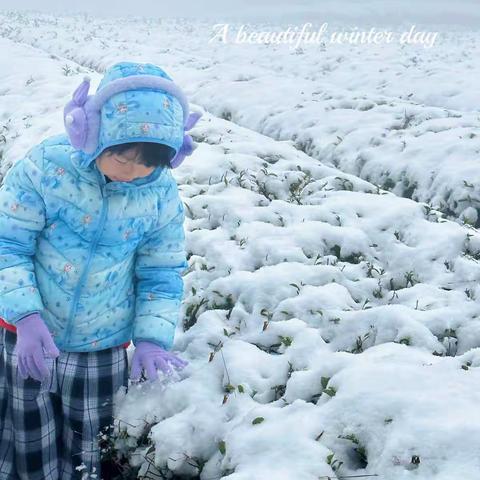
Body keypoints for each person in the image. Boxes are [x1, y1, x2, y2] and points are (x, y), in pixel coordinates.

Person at [0, 61, 202, 479]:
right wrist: (24, 315)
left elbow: (161, 272)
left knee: (91, 442)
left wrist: (150, 339)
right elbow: (8, 243)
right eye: (121, 157)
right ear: (93, 133)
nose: (132, 173)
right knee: (29, 432)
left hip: (102, 344)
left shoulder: (160, 195)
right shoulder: (45, 168)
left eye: (146, 162)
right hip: (29, 336)